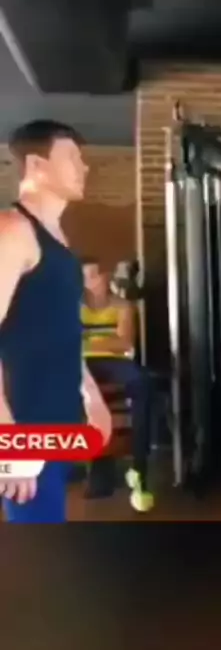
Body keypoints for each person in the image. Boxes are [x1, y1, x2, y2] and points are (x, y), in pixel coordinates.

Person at [0, 120, 112, 523]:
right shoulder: (13, 230)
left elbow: (62, 331)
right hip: (24, 425)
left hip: (58, 418)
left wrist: (92, 397)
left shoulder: (58, 240)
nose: (84, 167)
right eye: (72, 157)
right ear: (37, 164)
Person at [82, 259, 154, 512]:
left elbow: (124, 343)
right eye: (85, 278)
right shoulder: (71, 307)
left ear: (106, 277)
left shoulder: (122, 306)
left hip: (114, 362)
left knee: (142, 383)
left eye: (95, 276)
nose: (91, 283)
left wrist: (87, 342)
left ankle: (140, 464)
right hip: (81, 365)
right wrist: (106, 341)